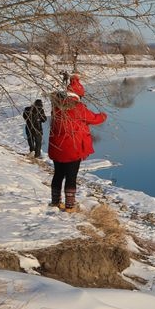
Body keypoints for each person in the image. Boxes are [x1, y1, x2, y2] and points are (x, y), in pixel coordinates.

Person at [47, 76, 107, 212]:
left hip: (57, 147)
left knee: (58, 174)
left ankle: (55, 202)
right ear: (78, 95)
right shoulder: (79, 108)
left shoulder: (56, 106)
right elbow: (95, 119)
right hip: (73, 148)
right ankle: (69, 206)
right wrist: (103, 115)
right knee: (71, 177)